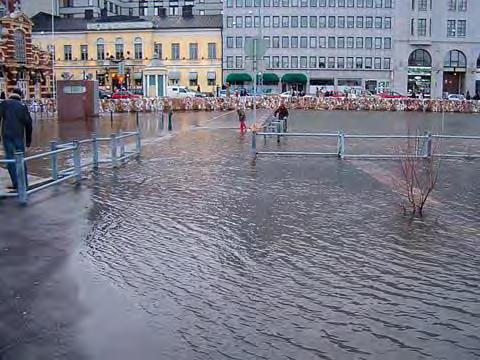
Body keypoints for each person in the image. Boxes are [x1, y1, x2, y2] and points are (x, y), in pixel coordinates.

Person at [0, 88, 32, 190]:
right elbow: (29, 125)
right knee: (21, 160)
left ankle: (16, 184)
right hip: (19, 136)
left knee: (10, 160)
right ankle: (24, 184)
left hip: (7, 136)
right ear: (20, 96)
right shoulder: (23, 106)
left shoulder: (5, 104)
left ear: (11, 94)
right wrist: (28, 142)